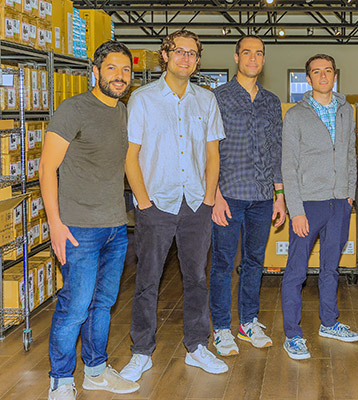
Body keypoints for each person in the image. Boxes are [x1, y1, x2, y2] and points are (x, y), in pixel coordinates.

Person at [119, 29, 228, 382]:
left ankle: (197, 346)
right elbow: (130, 156)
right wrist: (144, 204)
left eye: (193, 53)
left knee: (197, 278)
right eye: (179, 51)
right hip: (157, 205)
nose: (186, 58)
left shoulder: (206, 100)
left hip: (196, 203)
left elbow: (213, 154)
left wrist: (209, 197)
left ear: (198, 61)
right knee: (148, 280)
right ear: (164, 55)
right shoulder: (143, 99)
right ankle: (141, 351)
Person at [41, 41, 139, 400]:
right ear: (94, 72)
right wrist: (55, 223)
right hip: (78, 228)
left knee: (103, 304)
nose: (120, 76)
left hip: (115, 226)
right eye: (111, 68)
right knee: (75, 305)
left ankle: (96, 371)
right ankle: (61, 379)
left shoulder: (122, 112)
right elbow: (46, 168)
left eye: (126, 70)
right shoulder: (73, 109)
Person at [210, 35, 285, 356]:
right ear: (237, 57)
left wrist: (279, 195)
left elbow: (276, 149)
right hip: (228, 194)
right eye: (247, 53)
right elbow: (207, 148)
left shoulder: (270, 101)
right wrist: (214, 193)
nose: (253, 58)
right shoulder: (217, 97)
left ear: (264, 59)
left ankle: (248, 321)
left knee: (255, 262)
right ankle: (221, 328)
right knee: (223, 264)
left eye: (259, 53)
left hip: (262, 196)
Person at [281, 54, 358, 360]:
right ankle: (293, 334)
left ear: (335, 75)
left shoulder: (346, 110)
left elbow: (351, 153)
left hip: (339, 202)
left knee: (331, 267)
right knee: (296, 270)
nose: (323, 76)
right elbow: (289, 165)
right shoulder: (296, 115)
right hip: (308, 204)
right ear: (308, 79)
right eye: (316, 72)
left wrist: (349, 194)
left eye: (327, 71)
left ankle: (329, 322)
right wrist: (295, 209)